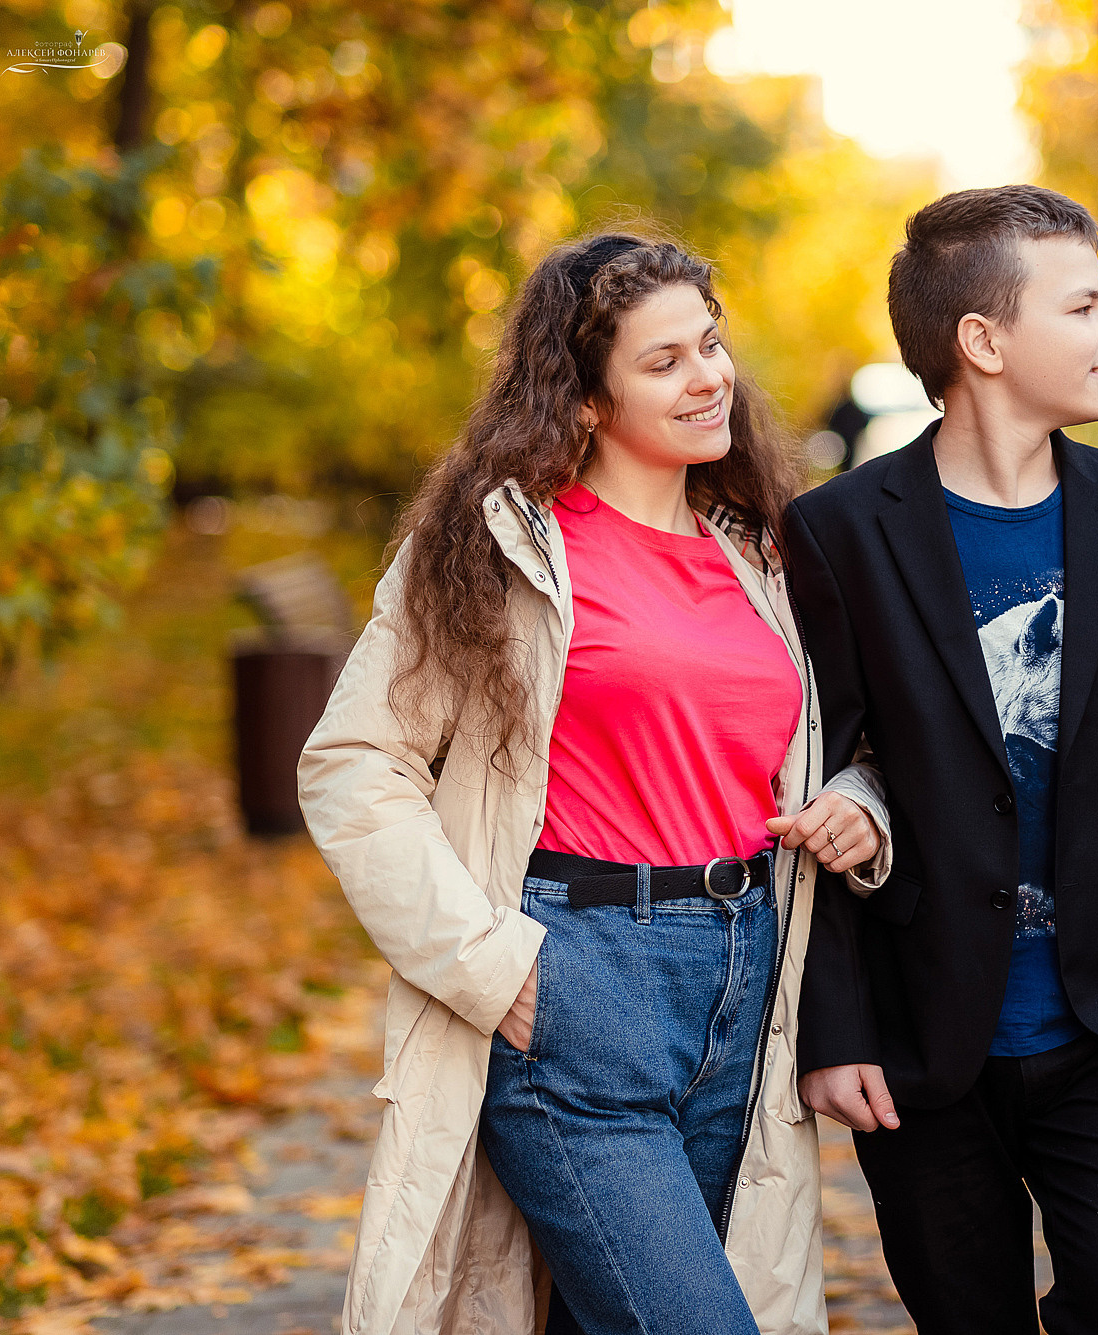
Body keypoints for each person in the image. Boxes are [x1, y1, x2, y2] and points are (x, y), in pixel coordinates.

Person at [298, 231, 893, 1335]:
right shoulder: (495, 549)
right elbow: (351, 763)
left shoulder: (763, 549)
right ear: (581, 399)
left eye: (709, 346)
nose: (707, 376)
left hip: (742, 979)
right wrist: (483, 962)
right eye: (661, 362)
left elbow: (847, 740)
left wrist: (860, 800)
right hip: (577, 985)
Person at [780, 184, 1098, 1335]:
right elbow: (808, 787)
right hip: (923, 1039)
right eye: (1086, 306)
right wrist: (836, 1024)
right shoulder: (838, 531)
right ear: (983, 340)